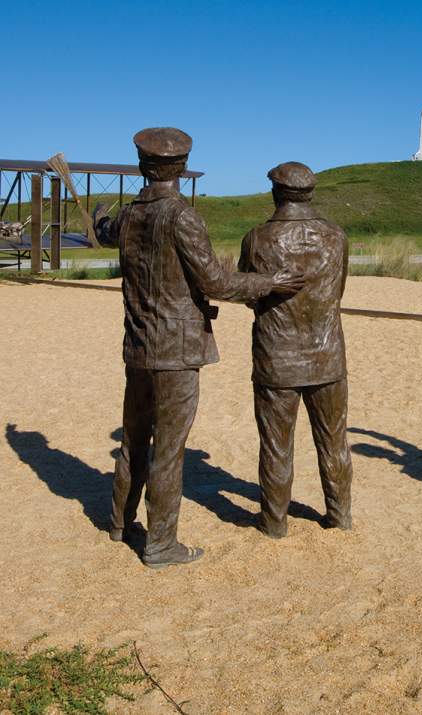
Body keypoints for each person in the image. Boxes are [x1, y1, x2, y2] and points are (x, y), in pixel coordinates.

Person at [93, 128, 304, 568]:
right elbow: (217, 282)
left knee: (134, 438)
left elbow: (106, 231)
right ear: (183, 167)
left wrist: (97, 220)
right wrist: (269, 282)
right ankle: (160, 545)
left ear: (141, 166)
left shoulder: (129, 216)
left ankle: (119, 523)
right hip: (176, 350)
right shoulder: (182, 218)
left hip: (139, 345)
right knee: (169, 449)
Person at [238, 161, 352, 538]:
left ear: (276, 192)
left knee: (276, 446)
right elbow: (337, 291)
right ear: (310, 193)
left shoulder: (257, 239)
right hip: (327, 356)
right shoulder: (336, 236)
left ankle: (274, 523)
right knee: (334, 441)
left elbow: (249, 293)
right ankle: (339, 515)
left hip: (277, 359)